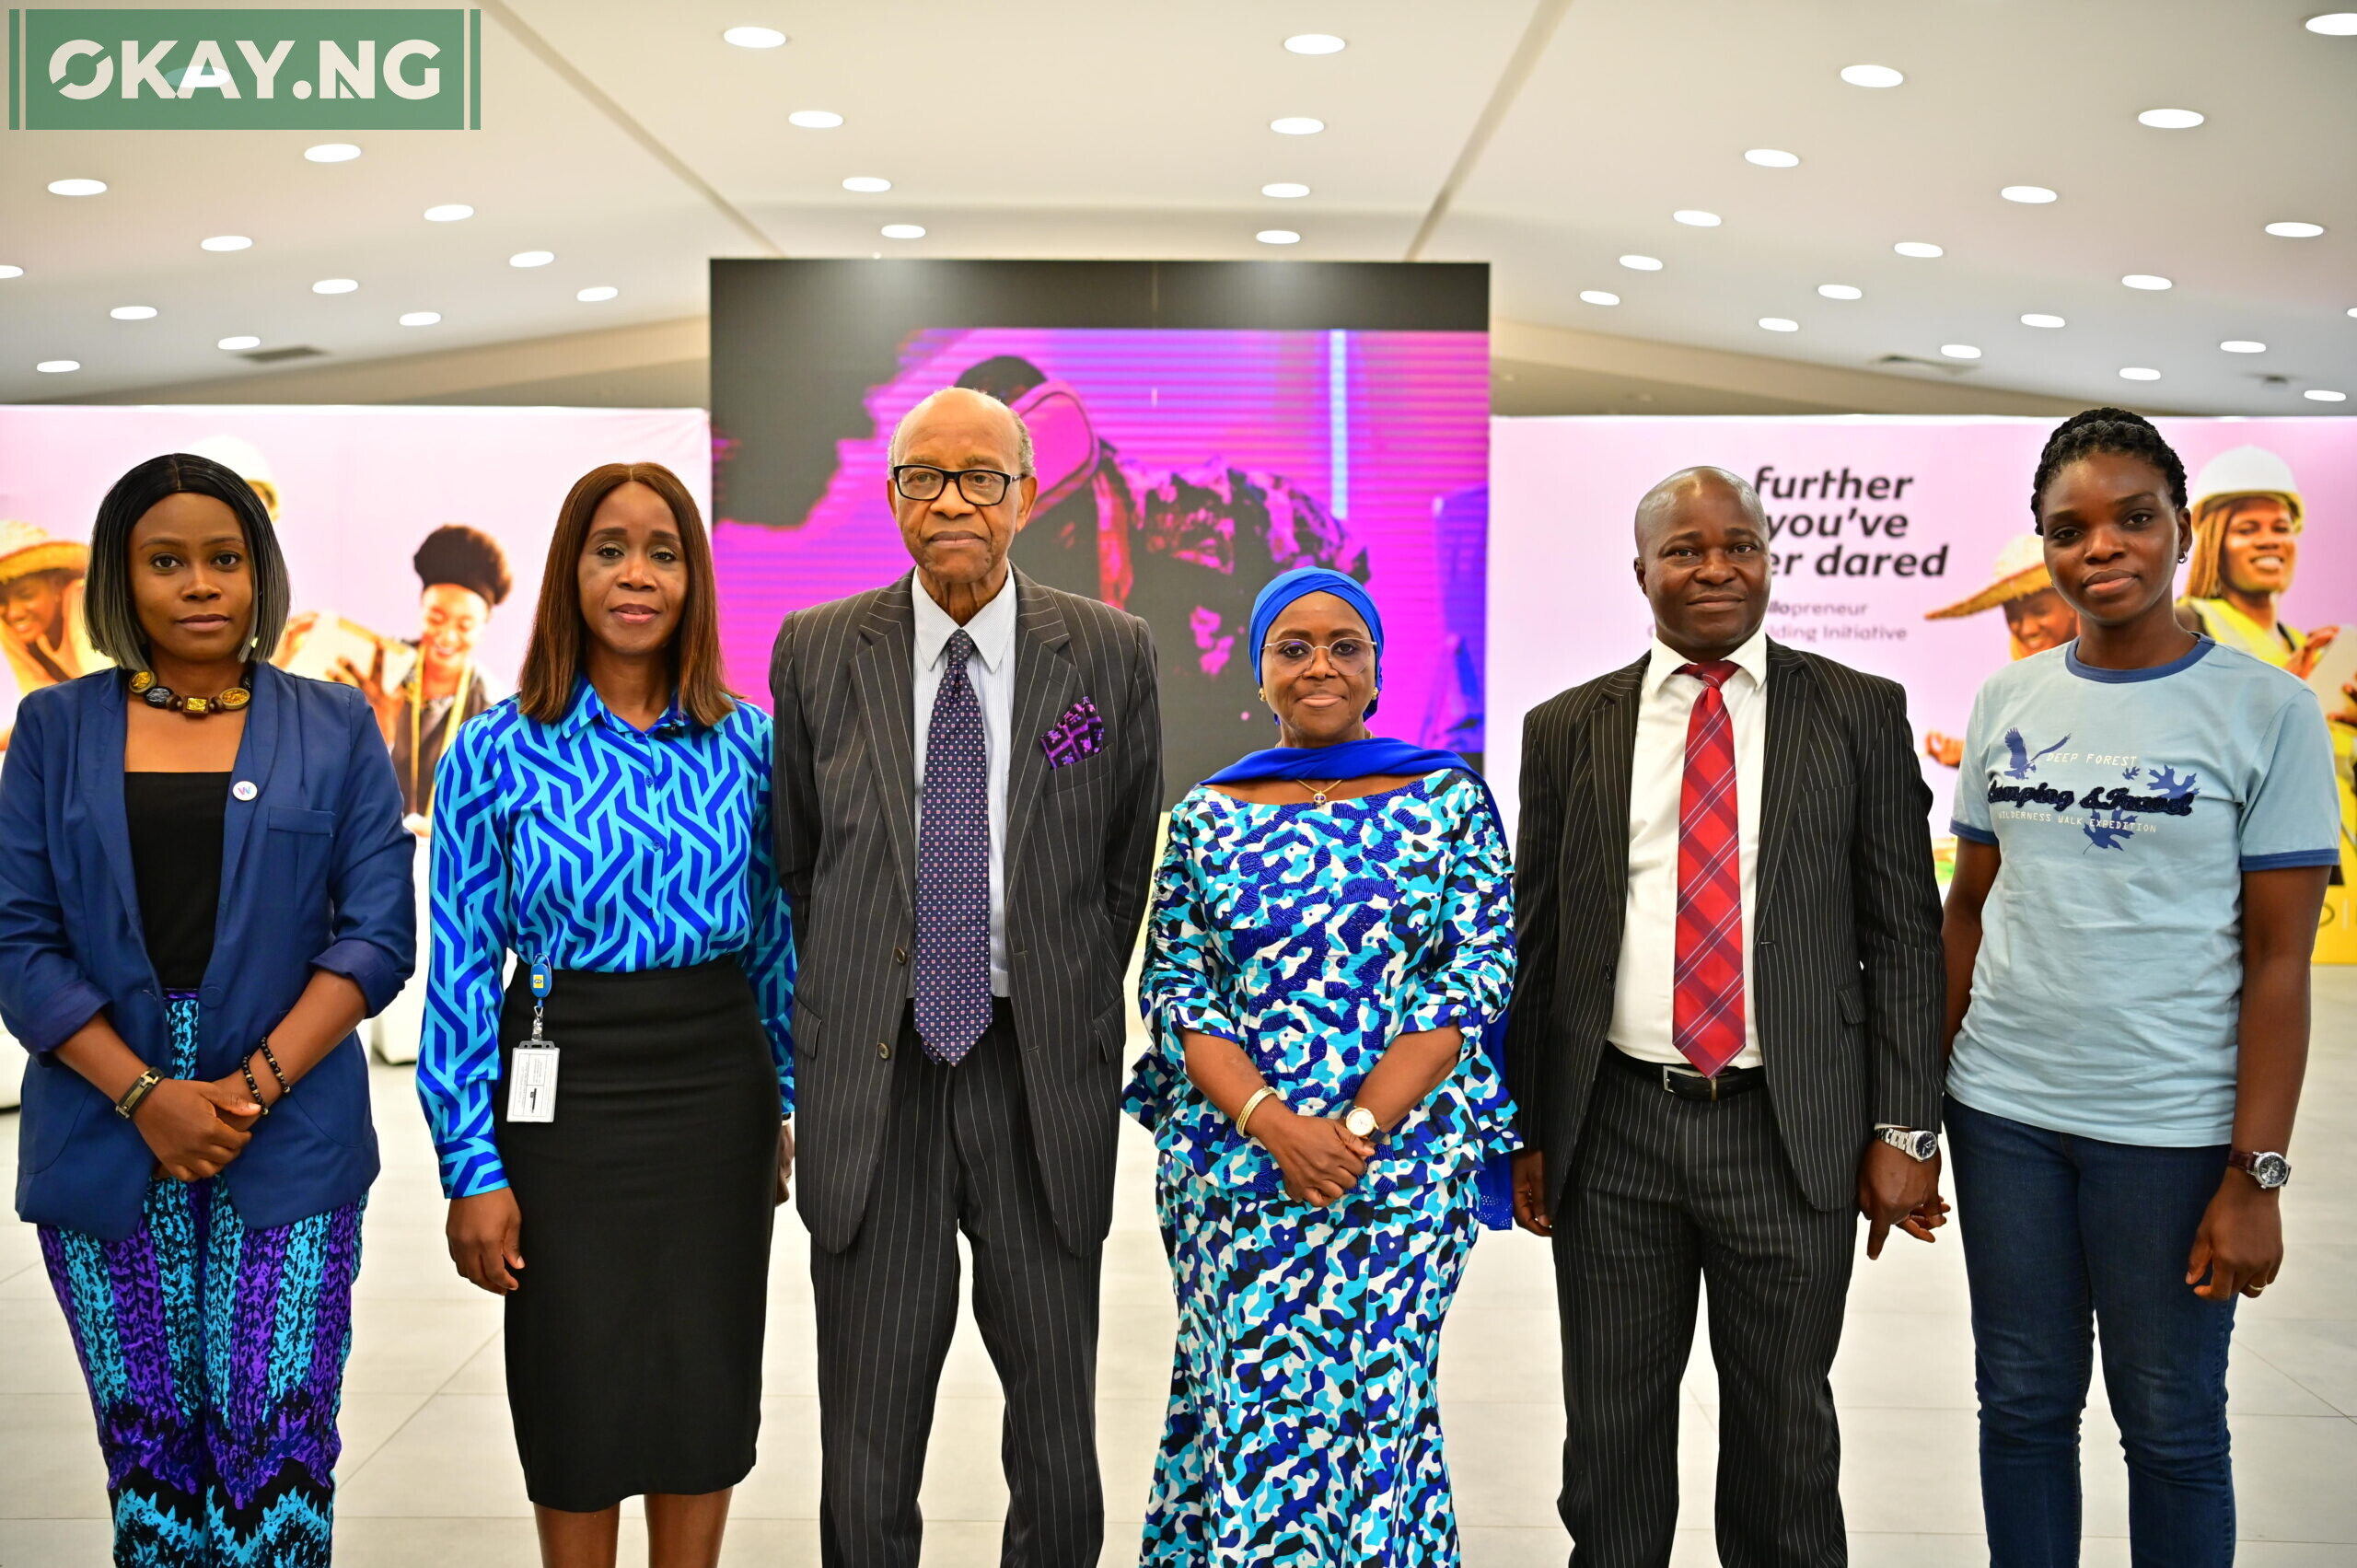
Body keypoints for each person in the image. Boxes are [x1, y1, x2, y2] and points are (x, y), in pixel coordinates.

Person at [1505, 466, 1947, 1567]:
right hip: (1615, 1128)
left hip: (1789, 1129)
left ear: (1766, 556)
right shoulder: (1567, 726)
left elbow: (1903, 934)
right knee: (1608, 1440)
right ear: (1641, 570)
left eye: (1738, 544)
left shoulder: (1854, 709)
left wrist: (1905, 1130)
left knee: (1785, 1439)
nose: (1716, 567)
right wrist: (1525, 1127)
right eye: (1687, 549)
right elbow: (1540, 942)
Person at [768, 386, 1163, 1568]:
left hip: (1036, 1069)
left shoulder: (1104, 648)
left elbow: (1118, 864)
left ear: (1027, 496)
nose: (952, 499)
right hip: (877, 1077)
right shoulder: (818, 645)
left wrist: (1062, 992)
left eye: (981, 476)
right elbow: (798, 860)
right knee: (869, 1436)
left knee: (1054, 1431)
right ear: (891, 496)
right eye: (923, 476)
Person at [0, 452, 413, 1565]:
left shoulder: (334, 724)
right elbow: (17, 938)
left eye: (224, 558)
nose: (199, 584)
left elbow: (376, 933)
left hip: (290, 1123)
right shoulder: (53, 730)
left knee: (272, 1443)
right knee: (148, 1456)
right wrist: (145, 1094)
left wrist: (248, 1089)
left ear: (259, 573)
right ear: (120, 583)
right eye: (165, 560)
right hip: (103, 1120)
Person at [1942, 411, 2337, 1567]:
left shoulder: (2267, 710)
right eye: (2069, 529)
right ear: (2044, 548)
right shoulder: (2007, 700)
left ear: (2175, 530)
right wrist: (1915, 1112)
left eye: (2131, 518)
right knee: (2019, 1403)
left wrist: (2254, 1173)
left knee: (2168, 1423)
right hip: (2003, 1115)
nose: (2100, 547)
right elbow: (1966, 911)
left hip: (2167, 1130)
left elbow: (2278, 962)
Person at [419, 461, 794, 1568]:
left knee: (702, 1371)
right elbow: (458, 973)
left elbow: (776, 944)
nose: (637, 574)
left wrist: (780, 1100)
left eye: (663, 550)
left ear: (694, 577)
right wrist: (470, 1166)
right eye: (610, 548)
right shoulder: (495, 747)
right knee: (571, 1378)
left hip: (712, 1090)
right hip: (560, 1086)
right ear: (569, 570)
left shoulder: (748, 742)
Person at [1122, 566, 1517, 1564]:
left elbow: (1473, 972)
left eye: (1345, 644)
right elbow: (1175, 986)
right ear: (1259, 672)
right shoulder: (1211, 812)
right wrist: (1275, 1123)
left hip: (1398, 1173)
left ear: (1377, 669)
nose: (1319, 664)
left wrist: (1354, 1130)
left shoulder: (1448, 799)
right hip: (1236, 1176)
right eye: (1292, 646)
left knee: (1378, 1409)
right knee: (1242, 1404)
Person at [952, 354, 1366, 797]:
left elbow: (1345, 560)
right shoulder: (984, 571)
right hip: (1118, 800)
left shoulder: (1225, 513)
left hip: (1263, 791)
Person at [291, 523, 514, 1064]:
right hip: (370, 840)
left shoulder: (496, 699)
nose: (447, 634)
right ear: (419, 610)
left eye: (465, 623)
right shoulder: (381, 671)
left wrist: (445, 826)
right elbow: (335, 769)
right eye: (436, 617)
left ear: (484, 626)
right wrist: (380, 725)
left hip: (449, 849)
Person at [2177, 444, 2337, 679]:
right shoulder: (2182, 624)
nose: (2269, 541)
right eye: (2247, 530)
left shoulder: (2301, 644)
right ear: (2214, 544)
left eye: (2281, 528)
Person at [1922, 532, 2079, 768]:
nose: (2026, 628)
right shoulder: (2014, 685)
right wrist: (1972, 755)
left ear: (2071, 603)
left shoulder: (2108, 667)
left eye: (2040, 611)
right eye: (2013, 616)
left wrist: (1973, 755)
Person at [0, 519, 110, 748]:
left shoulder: (83, 602)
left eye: (26, 594)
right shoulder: (13, 626)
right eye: (1, 601)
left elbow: (104, 697)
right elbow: (40, 709)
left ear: (56, 584)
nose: (14, 613)